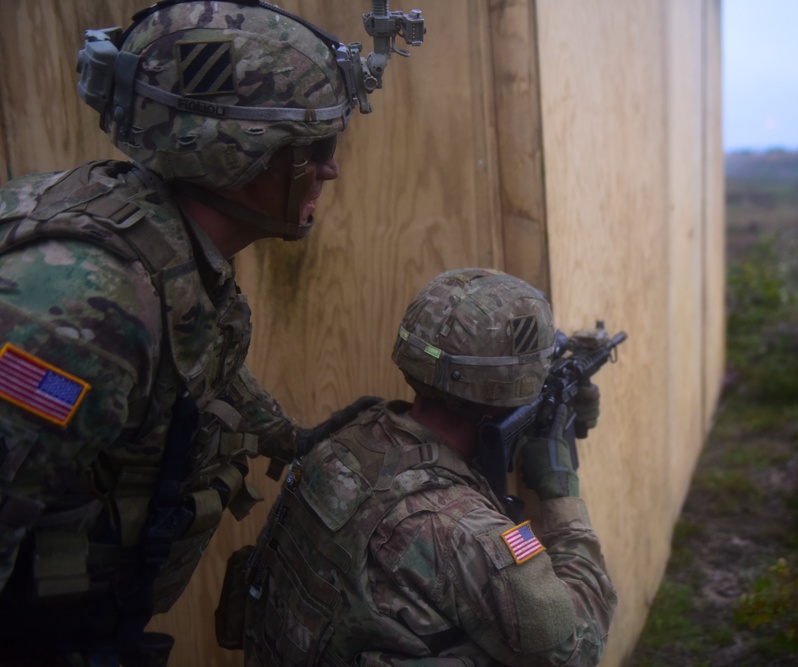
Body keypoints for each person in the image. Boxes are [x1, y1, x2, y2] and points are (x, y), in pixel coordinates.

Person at [0, 1, 418, 663]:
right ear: (241, 155)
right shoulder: (85, 311)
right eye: (317, 146)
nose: (331, 170)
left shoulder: (164, 244)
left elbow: (196, 369)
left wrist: (295, 439)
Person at [242, 268, 618, 667]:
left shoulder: (341, 445)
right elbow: (577, 646)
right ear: (511, 388)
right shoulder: (466, 532)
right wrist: (561, 493)